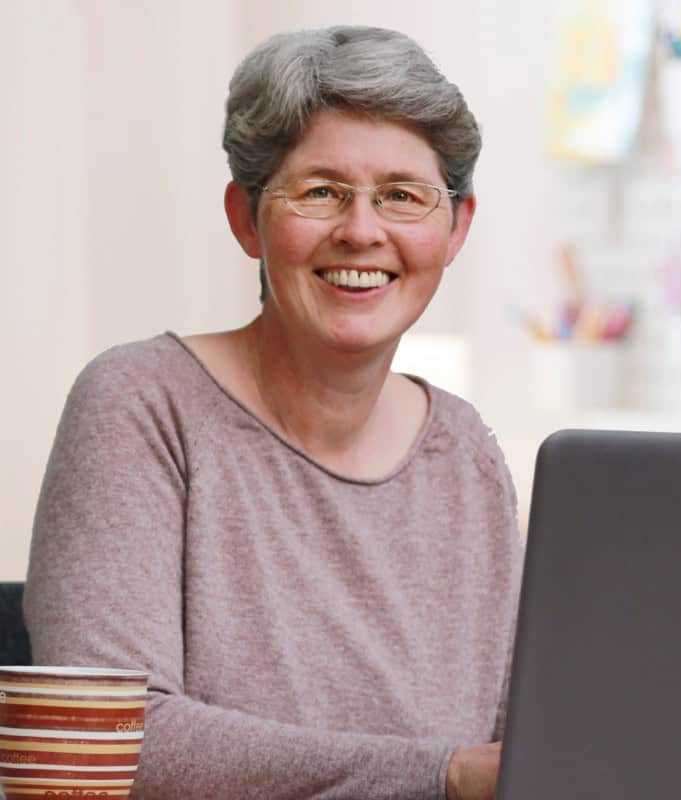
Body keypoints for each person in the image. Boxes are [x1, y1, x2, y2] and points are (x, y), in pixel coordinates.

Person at [24, 25, 523, 800]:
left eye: (402, 195)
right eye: (321, 191)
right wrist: (438, 776)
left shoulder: (467, 454)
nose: (362, 230)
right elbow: (110, 742)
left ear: (455, 228)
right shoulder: (142, 405)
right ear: (245, 216)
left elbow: (515, 746)